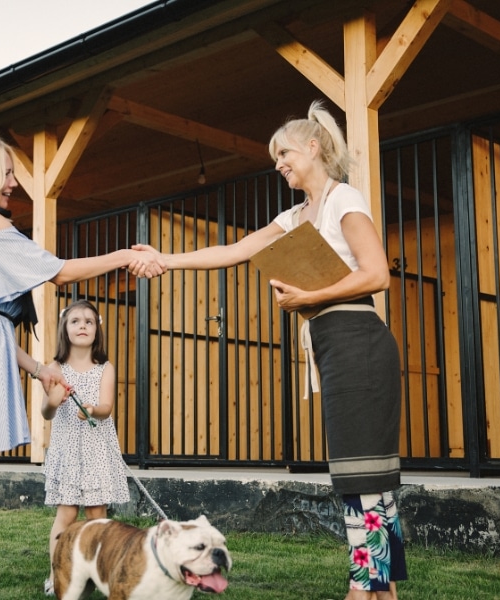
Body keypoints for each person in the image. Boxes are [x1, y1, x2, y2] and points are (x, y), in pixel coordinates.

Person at [132, 101, 406, 600]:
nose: (278, 163)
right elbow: (234, 251)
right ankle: (378, 588)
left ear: (313, 147)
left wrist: (309, 297)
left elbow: (376, 274)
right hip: (333, 345)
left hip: (360, 343)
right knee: (356, 473)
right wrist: (165, 259)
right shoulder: (296, 216)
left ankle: (362, 585)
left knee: (364, 472)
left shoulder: (345, 199)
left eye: (283, 153)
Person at [0, 133, 164, 600]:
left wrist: (37, 367)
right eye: (7, 172)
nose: (14, 182)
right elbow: (59, 271)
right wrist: (126, 256)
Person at [40, 299, 131, 596]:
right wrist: (53, 400)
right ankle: (58, 574)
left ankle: (103, 574)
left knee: (97, 515)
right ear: (65, 329)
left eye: (89, 322)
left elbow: (106, 407)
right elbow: (47, 412)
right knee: (66, 515)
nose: (82, 326)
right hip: (67, 451)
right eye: (75, 321)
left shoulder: (105, 368)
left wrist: (92, 409)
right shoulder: (55, 368)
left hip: (95, 451)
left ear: (97, 330)